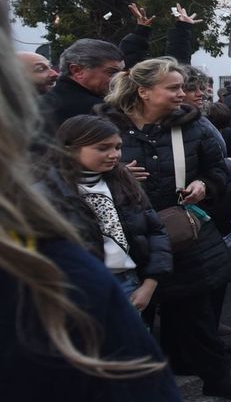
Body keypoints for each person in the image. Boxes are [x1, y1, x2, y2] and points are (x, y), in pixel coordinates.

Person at [0, 0, 224, 402]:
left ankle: (209, 368)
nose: (182, 94)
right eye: (171, 85)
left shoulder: (46, 279)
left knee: (191, 320)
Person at [98, 57, 231, 399]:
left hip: (182, 233)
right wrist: (114, 172)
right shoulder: (105, 125)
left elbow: (220, 170)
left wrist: (203, 185)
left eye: (182, 87)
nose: (183, 93)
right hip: (126, 236)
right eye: (174, 88)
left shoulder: (193, 126)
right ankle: (134, 391)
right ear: (144, 91)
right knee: (133, 315)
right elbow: (73, 168)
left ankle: (216, 376)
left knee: (196, 312)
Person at [49, 114, 172, 311]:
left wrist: (150, 283)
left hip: (129, 283)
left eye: (118, 147)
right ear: (70, 149)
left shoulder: (123, 181)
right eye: (102, 148)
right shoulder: (48, 191)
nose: (114, 154)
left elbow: (155, 231)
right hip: (76, 292)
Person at [40, 37, 124, 129]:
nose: (118, 78)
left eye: (121, 72)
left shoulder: (38, 105)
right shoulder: (98, 110)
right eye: (112, 72)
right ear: (77, 70)